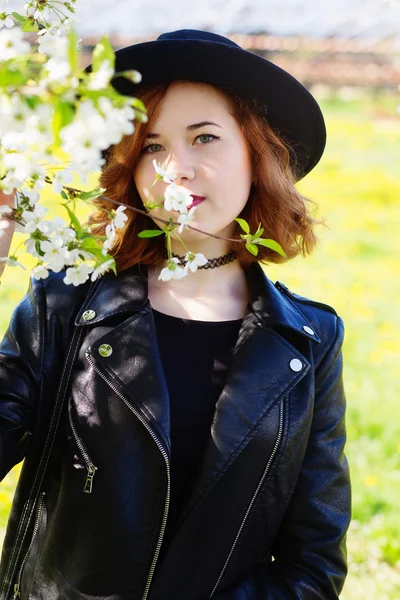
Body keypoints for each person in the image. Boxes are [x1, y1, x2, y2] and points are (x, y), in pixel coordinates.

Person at [0, 29, 351, 600]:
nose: (175, 170)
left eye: (205, 138)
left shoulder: (308, 341)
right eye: (152, 147)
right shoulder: (64, 305)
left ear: (257, 155)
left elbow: (313, 564)